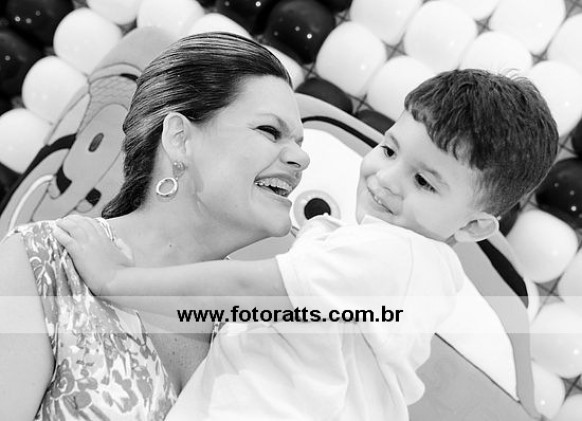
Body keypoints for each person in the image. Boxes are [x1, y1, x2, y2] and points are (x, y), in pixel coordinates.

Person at [53, 69, 559, 421]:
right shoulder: (408, 269)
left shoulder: (393, 257)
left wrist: (118, 280)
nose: (386, 178)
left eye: (424, 182)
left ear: (474, 227)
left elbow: (243, 289)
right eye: (388, 149)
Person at [0, 32, 309, 420]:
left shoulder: (253, 329)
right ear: (180, 139)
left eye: (299, 142)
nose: (301, 158)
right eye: (270, 131)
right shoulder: (49, 266)